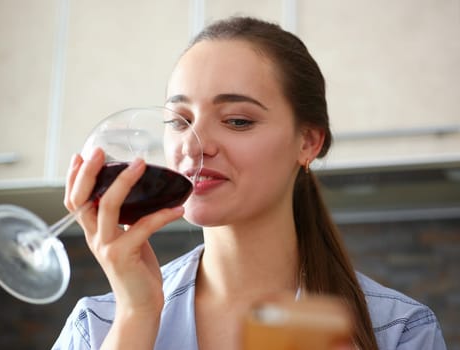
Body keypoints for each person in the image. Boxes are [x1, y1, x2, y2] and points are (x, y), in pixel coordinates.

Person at [53, 16, 447, 350]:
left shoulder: (397, 331)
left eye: (237, 121)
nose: (195, 145)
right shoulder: (98, 326)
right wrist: (136, 315)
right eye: (178, 121)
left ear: (307, 142)